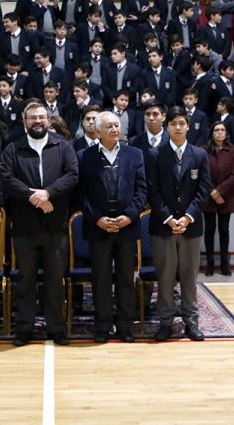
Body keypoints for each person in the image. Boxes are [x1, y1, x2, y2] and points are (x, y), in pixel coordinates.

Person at [0, 101, 79, 347]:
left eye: (41, 117)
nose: (37, 121)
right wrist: (32, 196)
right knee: (25, 281)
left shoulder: (63, 146)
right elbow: (5, 177)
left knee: (55, 281)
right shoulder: (13, 148)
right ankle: (24, 328)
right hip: (24, 227)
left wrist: (48, 193)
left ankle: (56, 328)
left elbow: (72, 175)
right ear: (24, 121)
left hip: (55, 226)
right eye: (32, 117)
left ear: (48, 119)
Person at [78, 111, 147, 343]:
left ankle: (125, 326)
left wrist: (128, 216)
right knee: (101, 279)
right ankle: (103, 326)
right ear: (97, 131)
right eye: (109, 126)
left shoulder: (135, 154)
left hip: (127, 227)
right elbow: (81, 194)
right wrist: (97, 218)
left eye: (117, 125)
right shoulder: (84, 156)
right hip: (98, 228)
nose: (115, 129)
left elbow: (141, 191)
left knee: (126, 279)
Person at [146, 106, 212, 341]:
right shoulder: (155, 154)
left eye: (181, 123)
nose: (177, 127)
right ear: (167, 126)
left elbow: (203, 191)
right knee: (164, 276)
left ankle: (190, 321)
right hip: (163, 226)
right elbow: (152, 191)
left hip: (191, 226)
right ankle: (165, 322)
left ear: (187, 126)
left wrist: (187, 217)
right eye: (173, 123)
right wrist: (169, 218)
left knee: (188, 276)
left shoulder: (200, 155)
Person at [203, 121, 234, 277]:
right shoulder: (204, 151)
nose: (219, 132)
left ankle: (224, 264)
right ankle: (210, 264)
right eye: (216, 130)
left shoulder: (232, 151)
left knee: (224, 230)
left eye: (222, 130)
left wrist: (219, 191)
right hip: (208, 196)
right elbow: (202, 174)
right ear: (212, 133)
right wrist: (212, 192)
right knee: (209, 230)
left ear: (226, 133)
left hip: (227, 196)